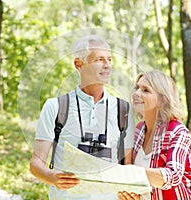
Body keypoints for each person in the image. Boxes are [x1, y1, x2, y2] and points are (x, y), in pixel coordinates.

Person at [29, 34, 135, 200]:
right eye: (99, 60)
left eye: (109, 59)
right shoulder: (55, 107)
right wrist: (53, 178)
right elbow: (36, 164)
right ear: (79, 64)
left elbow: (127, 167)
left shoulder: (123, 110)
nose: (107, 65)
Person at [118, 70, 191, 200]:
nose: (136, 93)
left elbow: (172, 175)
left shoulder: (178, 132)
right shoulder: (138, 130)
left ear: (162, 100)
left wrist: (130, 172)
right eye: (137, 88)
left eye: (145, 90)